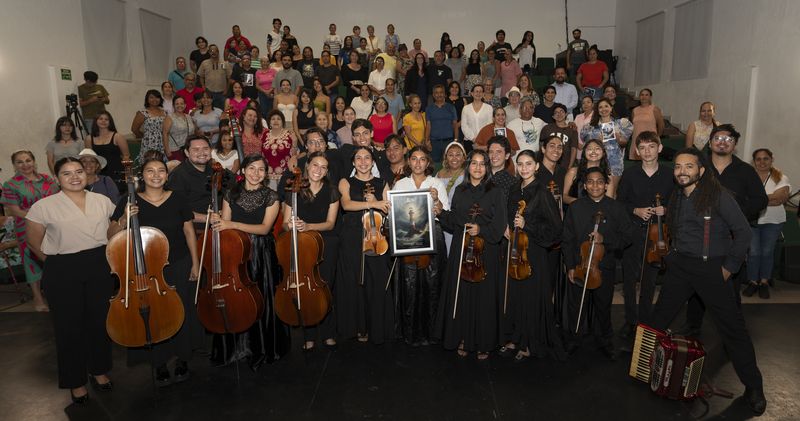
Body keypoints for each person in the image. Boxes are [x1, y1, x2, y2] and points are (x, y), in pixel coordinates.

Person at [649, 148, 767, 416]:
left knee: (733, 331)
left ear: (700, 170)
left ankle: (755, 389)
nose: (682, 171)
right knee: (656, 320)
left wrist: (729, 267)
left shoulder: (718, 195)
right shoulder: (677, 196)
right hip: (681, 267)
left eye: (688, 166)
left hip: (712, 269)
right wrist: (673, 257)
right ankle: (643, 368)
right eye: (678, 166)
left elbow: (744, 233)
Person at [25, 157, 115, 404]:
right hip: (62, 268)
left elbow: (111, 232)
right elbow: (33, 241)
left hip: (99, 264)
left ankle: (99, 370)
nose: (75, 176)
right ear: (56, 178)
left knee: (99, 322)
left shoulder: (103, 201)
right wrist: (55, 263)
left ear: (86, 174)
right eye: (67, 173)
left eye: (78, 171)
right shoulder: (43, 207)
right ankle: (75, 381)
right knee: (69, 327)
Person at [106, 152, 201, 384]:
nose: (156, 175)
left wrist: (195, 263)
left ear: (167, 175)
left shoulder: (177, 198)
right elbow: (111, 236)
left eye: (160, 171)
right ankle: (159, 362)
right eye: (150, 171)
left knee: (182, 310)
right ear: (142, 176)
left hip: (179, 262)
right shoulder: (128, 201)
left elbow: (189, 231)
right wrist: (123, 219)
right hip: (146, 270)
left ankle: (182, 359)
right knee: (154, 314)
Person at [683, 124, 768, 335]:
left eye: (728, 139)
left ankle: (733, 333)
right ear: (710, 142)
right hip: (698, 239)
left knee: (730, 289)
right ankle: (692, 330)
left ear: (735, 145)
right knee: (696, 289)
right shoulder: (697, 167)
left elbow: (760, 199)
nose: (722, 142)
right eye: (718, 138)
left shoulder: (745, 171)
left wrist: (734, 215)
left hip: (731, 240)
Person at [210, 154, 290, 369]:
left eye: (261, 169)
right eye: (252, 168)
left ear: (266, 174)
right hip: (234, 250)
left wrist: (230, 224)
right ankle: (236, 349)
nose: (256, 173)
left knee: (260, 298)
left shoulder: (272, 196)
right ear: (243, 170)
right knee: (234, 297)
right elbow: (223, 226)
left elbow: (264, 229)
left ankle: (261, 348)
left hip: (261, 252)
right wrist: (224, 224)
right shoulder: (229, 193)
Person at [435, 150, 507, 360]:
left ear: (487, 168)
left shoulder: (496, 192)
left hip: (486, 250)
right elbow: (454, 221)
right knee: (463, 294)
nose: (477, 168)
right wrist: (440, 212)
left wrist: (481, 230)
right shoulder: (460, 190)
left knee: (483, 297)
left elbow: (500, 223)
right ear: (468, 167)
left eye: (482, 164)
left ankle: (484, 342)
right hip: (462, 248)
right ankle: (463, 338)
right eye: (474, 164)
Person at [499, 150, 565, 361]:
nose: (524, 168)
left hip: (534, 252)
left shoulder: (542, 192)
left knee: (531, 298)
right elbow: (510, 215)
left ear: (537, 166)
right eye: (520, 164)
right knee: (516, 295)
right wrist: (507, 227)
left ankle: (529, 342)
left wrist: (528, 226)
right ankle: (515, 336)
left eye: (529, 164)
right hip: (516, 249)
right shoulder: (514, 189)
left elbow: (556, 230)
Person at [562, 167, 633, 361]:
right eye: (590, 182)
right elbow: (567, 239)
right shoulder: (575, 208)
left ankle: (605, 340)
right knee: (576, 305)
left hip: (604, 267)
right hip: (579, 266)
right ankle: (574, 338)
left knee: (603, 305)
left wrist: (605, 239)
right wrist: (570, 265)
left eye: (600, 181)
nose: (595, 185)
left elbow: (628, 237)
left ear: (606, 184)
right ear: (584, 186)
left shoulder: (616, 208)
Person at [616, 131, 674, 338]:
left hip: (657, 236)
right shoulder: (630, 174)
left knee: (650, 279)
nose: (647, 151)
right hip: (633, 233)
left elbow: (678, 203)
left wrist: (666, 209)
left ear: (659, 148)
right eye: (642, 147)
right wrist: (635, 210)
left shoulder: (669, 174)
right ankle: (631, 320)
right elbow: (620, 202)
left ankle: (645, 320)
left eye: (651, 146)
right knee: (630, 280)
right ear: (637, 151)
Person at [281, 151, 340, 350]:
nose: (319, 170)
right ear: (307, 166)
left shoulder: (332, 190)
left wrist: (308, 226)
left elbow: (330, 224)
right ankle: (309, 335)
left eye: (323, 167)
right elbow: (284, 223)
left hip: (326, 244)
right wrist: (292, 225)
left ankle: (328, 332)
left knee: (325, 288)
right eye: (315, 165)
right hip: (303, 245)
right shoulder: (294, 190)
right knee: (305, 289)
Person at [391, 147, 449, 346]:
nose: (417, 163)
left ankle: (432, 331)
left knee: (431, 285)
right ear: (409, 162)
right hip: (407, 241)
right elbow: (393, 215)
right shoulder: (400, 184)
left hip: (433, 238)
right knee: (409, 284)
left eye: (422, 159)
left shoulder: (436, 183)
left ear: (427, 163)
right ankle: (409, 331)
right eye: (414, 159)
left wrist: (436, 201)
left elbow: (445, 212)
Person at [337, 146, 394, 344]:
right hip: (352, 237)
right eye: (358, 158)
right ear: (353, 163)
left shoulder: (382, 183)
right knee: (355, 283)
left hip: (376, 237)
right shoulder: (346, 182)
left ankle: (376, 328)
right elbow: (346, 205)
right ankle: (358, 327)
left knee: (376, 282)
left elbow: (388, 208)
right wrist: (372, 204)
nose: (363, 162)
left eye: (367, 158)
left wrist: (378, 201)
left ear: (373, 161)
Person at [1, 151, 59, 311]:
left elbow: (57, 201)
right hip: (26, 226)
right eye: (20, 162)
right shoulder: (10, 185)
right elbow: (15, 211)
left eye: (28, 160)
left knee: (54, 257)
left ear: (34, 161)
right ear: (14, 166)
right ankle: (37, 297)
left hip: (52, 224)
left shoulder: (47, 179)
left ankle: (55, 292)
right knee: (32, 260)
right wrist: (40, 218)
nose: (25, 165)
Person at [743, 149, 789, 299]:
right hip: (752, 220)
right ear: (754, 161)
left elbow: (780, 199)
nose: (762, 162)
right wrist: (770, 198)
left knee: (767, 252)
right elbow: (744, 198)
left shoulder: (781, 177)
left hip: (773, 221)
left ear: (771, 159)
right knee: (754, 252)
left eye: (766, 159)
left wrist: (756, 198)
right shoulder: (748, 177)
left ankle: (764, 282)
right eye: (758, 159)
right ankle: (752, 282)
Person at [580, 98, 632, 195]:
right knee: (594, 191)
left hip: (614, 163)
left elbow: (624, 144)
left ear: (611, 108)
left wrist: (619, 138)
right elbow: (585, 142)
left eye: (606, 106)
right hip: (595, 163)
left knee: (612, 192)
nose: (603, 109)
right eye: (600, 107)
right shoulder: (590, 126)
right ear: (597, 110)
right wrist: (597, 142)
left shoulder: (621, 123)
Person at [435, 141, 466, 252]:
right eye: (450, 154)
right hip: (442, 217)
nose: (454, 158)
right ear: (446, 157)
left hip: (458, 219)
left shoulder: (468, 174)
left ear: (463, 158)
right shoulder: (439, 174)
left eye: (458, 154)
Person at [86, 111, 129, 193]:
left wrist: (127, 175)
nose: (103, 121)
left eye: (106, 119)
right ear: (96, 121)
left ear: (110, 122)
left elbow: (126, 156)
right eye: (100, 119)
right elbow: (89, 159)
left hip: (117, 172)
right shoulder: (88, 139)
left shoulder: (117, 136)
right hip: (99, 172)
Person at [563, 138, 612, 204]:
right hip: (576, 210)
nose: (593, 152)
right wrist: (582, 203)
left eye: (597, 149)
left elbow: (610, 201)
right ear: (584, 153)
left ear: (603, 153)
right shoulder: (573, 172)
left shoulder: (608, 176)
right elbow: (563, 196)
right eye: (589, 149)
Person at [261, 110, 296, 189]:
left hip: (285, 176)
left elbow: (294, 156)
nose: (276, 121)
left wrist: (295, 143)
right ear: (269, 122)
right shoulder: (265, 135)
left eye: (278, 119)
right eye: (273, 119)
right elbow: (262, 154)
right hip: (267, 176)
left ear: (283, 122)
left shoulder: (289, 134)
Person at [425, 85, 459, 163]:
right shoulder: (429, 108)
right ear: (433, 95)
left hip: (448, 142)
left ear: (445, 94)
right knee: (434, 165)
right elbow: (428, 125)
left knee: (448, 165)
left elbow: (455, 125)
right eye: (436, 93)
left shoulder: (451, 107)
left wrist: (456, 141)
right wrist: (427, 141)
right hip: (434, 143)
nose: (439, 95)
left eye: (441, 92)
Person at [132, 90, 167, 162]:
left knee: (162, 163)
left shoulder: (164, 112)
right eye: (151, 97)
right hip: (149, 143)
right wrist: (145, 136)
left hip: (163, 143)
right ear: (147, 99)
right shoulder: (142, 113)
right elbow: (134, 129)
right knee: (149, 164)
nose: (155, 99)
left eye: (157, 97)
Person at [540, 104, 578, 169]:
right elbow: (541, 146)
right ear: (553, 116)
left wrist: (570, 166)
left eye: (561, 111)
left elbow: (573, 149)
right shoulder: (547, 128)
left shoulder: (572, 130)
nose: (559, 114)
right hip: (547, 165)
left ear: (566, 114)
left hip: (564, 165)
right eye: (556, 112)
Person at [629, 89, 664, 160]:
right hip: (636, 140)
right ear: (639, 97)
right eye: (642, 95)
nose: (644, 97)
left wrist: (656, 137)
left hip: (650, 141)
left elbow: (661, 125)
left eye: (646, 95)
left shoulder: (655, 109)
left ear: (650, 97)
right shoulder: (634, 110)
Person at [197, 45, 232, 109]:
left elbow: (229, 78)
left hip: (222, 93)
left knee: (223, 111)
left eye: (215, 50)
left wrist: (227, 89)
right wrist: (203, 86)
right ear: (209, 52)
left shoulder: (224, 63)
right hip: (209, 93)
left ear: (218, 52)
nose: (213, 52)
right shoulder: (204, 63)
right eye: (211, 51)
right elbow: (201, 76)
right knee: (210, 110)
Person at [163, 96, 197, 161]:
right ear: (173, 105)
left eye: (181, 103)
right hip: (174, 150)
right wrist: (167, 151)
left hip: (188, 149)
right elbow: (165, 134)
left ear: (185, 105)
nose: (179, 105)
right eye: (177, 104)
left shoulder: (189, 117)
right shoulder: (169, 117)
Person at [461, 85, 494, 150]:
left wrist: (480, 139)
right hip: (469, 141)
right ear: (472, 93)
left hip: (484, 141)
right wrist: (473, 139)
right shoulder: (466, 108)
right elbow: (464, 126)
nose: (478, 93)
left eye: (480, 91)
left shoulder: (489, 108)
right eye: (476, 91)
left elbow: (489, 125)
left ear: (483, 94)